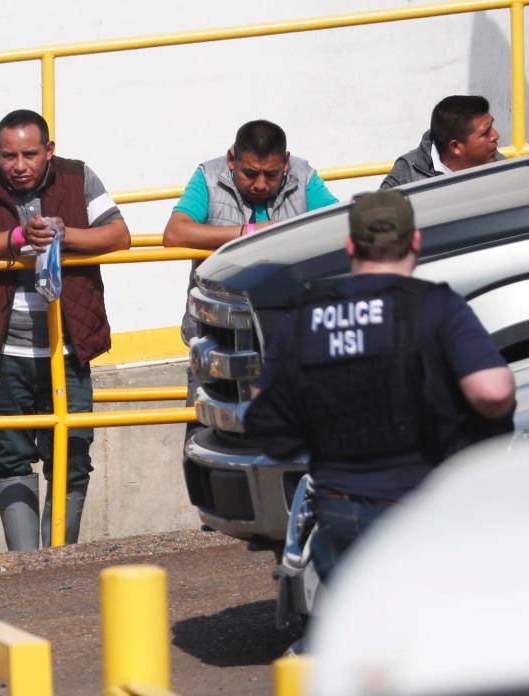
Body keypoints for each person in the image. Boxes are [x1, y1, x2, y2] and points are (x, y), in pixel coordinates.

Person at [244, 190, 515, 583]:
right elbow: (491, 392)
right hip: (420, 502)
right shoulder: (436, 306)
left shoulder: (308, 314)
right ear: (415, 240)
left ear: (351, 245)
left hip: (337, 505)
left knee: (360, 624)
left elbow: (264, 407)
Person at [0, 109, 130, 551]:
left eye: (30, 153)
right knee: (9, 457)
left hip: (68, 351)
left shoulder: (78, 177)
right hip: (2, 353)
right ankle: (24, 566)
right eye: (10, 155)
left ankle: (60, 560)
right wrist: (17, 239)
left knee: (71, 458)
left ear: (49, 150)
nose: (20, 165)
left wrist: (64, 235)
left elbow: (119, 235)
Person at [162, 119, 338, 344]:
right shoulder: (208, 176)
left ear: (286, 162)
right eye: (251, 173)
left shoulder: (303, 176)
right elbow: (174, 233)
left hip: (293, 323)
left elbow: (337, 226)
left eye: (271, 174)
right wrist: (249, 232)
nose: (261, 184)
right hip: (220, 326)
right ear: (231, 159)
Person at [379, 95, 501, 189]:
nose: (496, 135)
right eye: (485, 133)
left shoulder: (498, 163)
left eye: (492, 126)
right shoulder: (408, 173)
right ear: (455, 147)